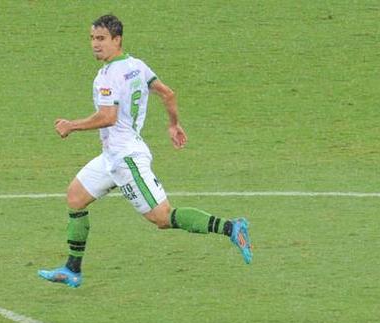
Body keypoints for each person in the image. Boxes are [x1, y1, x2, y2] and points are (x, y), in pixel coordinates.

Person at [39, 13, 252, 288]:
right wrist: (174, 124)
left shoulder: (107, 76)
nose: (95, 44)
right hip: (111, 157)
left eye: (101, 39)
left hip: (126, 158)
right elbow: (168, 93)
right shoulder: (136, 65)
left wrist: (71, 125)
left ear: (117, 40)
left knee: (162, 218)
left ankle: (231, 227)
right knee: (75, 197)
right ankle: (72, 269)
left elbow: (108, 117)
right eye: (92, 38)